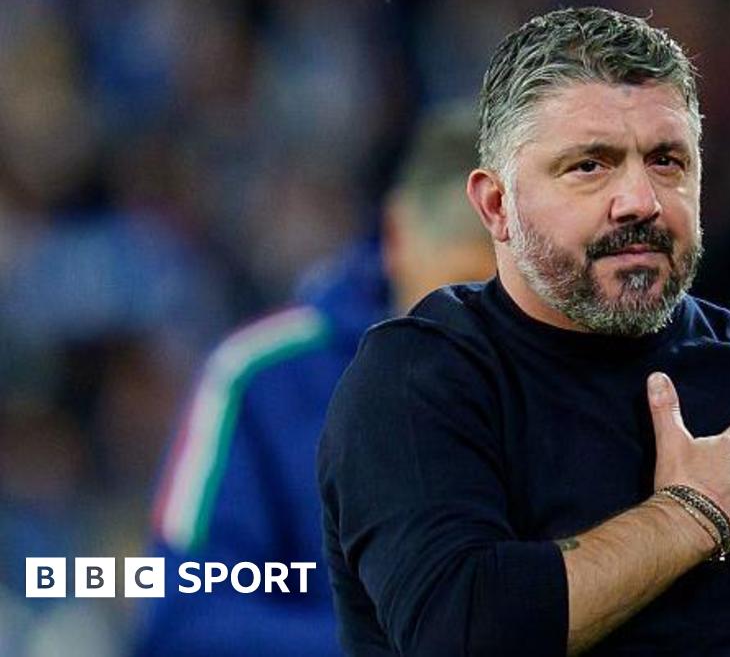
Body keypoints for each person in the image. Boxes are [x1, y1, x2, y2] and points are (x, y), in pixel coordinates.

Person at [319, 7, 730, 657]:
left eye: (667, 161)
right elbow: (461, 633)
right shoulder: (418, 380)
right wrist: (689, 514)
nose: (640, 202)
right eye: (590, 165)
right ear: (496, 205)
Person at [136, 107, 495, 655]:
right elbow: (183, 615)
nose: (485, 329)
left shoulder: (599, 380)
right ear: (397, 237)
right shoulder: (263, 380)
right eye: (460, 290)